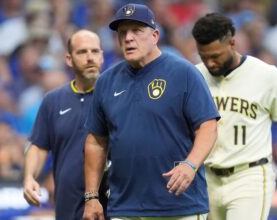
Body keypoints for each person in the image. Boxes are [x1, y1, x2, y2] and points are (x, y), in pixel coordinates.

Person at [83, 3, 220, 220]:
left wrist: (191, 164)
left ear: (155, 35)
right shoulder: (106, 81)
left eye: (136, 31)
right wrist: (91, 197)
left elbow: (208, 126)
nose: (128, 38)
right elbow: (95, 141)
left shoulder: (184, 73)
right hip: (124, 205)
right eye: (122, 32)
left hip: (178, 204)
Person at [192, 13, 277, 220]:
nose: (210, 63)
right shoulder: (193, 76)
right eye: (203, 56)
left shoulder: (267, 75)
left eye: (215, 56)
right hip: (204, 177)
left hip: (249, 175)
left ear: (232, 43)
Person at [23, 29, 109, 219]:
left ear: (102, 56)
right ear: (69, 59)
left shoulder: (115, 96)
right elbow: (38, 145)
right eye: (82, 52)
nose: (89, 58)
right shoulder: (53, 101)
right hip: (67, 207)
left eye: (95, 51)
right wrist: (29, 178)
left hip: (109, 206)